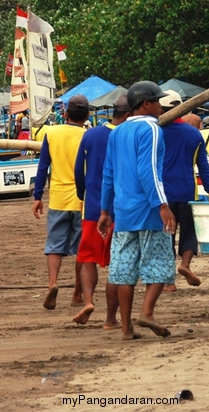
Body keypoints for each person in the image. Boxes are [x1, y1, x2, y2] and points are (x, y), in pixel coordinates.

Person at [98, 81, 176, 341]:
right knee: (160, 263)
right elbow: (149, 170)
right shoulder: (152, 129)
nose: (161, 106)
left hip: (123, 210)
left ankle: (126, 328)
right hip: (148, 207)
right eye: (158, 101)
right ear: (146, 104)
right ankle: (147, 312)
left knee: (124, 271)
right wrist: (162, 205)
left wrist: (105, 211)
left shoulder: (116, 132)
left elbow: (108, 173)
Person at [72, 95, 132, 328]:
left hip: (93, 207)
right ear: (128, 115)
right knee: (117, 265)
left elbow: (79, 170)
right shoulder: (128, 136)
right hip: (121, 210)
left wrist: (82, 195)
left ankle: (88, 300)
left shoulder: (91, 134)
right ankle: (110, 319)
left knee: (87, 258)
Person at [33, 95, 88, 310]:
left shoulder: (52, 133)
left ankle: (52, 284)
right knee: (81, 249)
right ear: (87, 116)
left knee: (54, 246)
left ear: (65, 114)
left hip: (57, 197)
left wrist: (38, 196)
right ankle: (77, 292)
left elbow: (42, 167)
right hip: (81, 200)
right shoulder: (88, 135)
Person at [159, 91, 209, 292]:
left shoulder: (156, 132)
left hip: (163, 193)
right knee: (189, 232)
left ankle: (169, 281)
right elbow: (204, 166)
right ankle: (185, 265)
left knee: (166, 233)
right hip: (187, 190)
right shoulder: (194, 134)